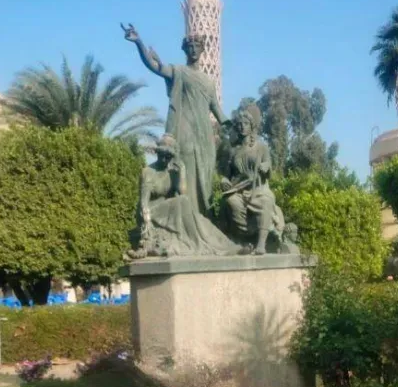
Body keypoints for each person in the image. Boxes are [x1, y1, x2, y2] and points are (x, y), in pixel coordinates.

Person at [122, 23, 232, 216]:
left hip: (204, 135)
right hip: (184, 128)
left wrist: (234, 125)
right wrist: (139, 42)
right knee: (184, 168)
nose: (193, 50)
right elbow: (154, 66)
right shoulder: (179, 71)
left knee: (204, 175)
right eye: (190, 47)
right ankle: (184, 214)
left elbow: (217, 110)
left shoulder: (208, 82)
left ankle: (202, 216)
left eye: (197, 47)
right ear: (185, 50)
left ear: (203, 50)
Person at [127, 134, 239, 259]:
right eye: (162, 155)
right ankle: (196, 242)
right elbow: (143, 203)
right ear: (157, 153)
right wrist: (147, 223)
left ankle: (223, 245)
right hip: (151, 212)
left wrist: (182, 172)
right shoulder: (148, 172)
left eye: (168, 156)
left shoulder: (172, 173)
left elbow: (183, 194)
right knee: (181, 202)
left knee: (198, 219)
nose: (164, 159)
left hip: (169, 210)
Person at [220, 108, 284, 255]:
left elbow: (268, 165)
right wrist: (224, 180)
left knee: (266, 201)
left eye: (245, 123)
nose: (242, 126)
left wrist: (266, 166)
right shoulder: (233, 151)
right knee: (230, 201)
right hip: (240, 189)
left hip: (259, 188)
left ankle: (261, 244)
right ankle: (244, 238)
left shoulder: (261, 147)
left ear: (251, 126)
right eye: (239, 124)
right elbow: (227, 175)